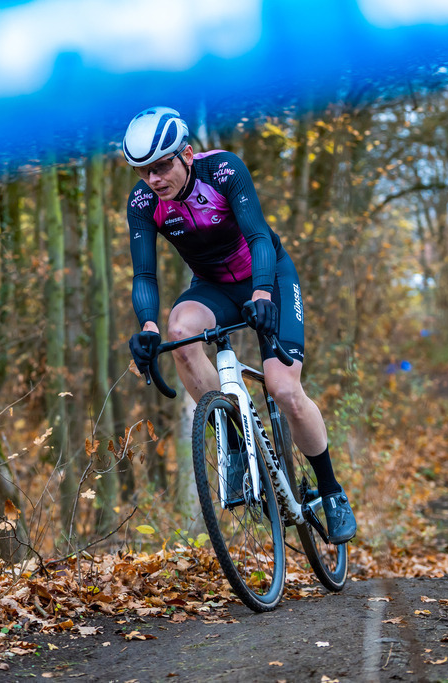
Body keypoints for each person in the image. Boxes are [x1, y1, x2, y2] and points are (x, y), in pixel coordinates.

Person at [121, 105, 356, 544]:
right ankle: (232, 439)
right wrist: (147, 327)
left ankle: (330, 490)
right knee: (179, 333)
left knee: (284, 388)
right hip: (212, 286)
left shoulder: (224, 171)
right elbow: (145, 276)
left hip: (270, 276)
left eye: (161, 167)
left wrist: (263, 294)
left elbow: (259, 236)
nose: (153, 179)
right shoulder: (143, 203)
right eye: (143, 171)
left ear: (187, 155)